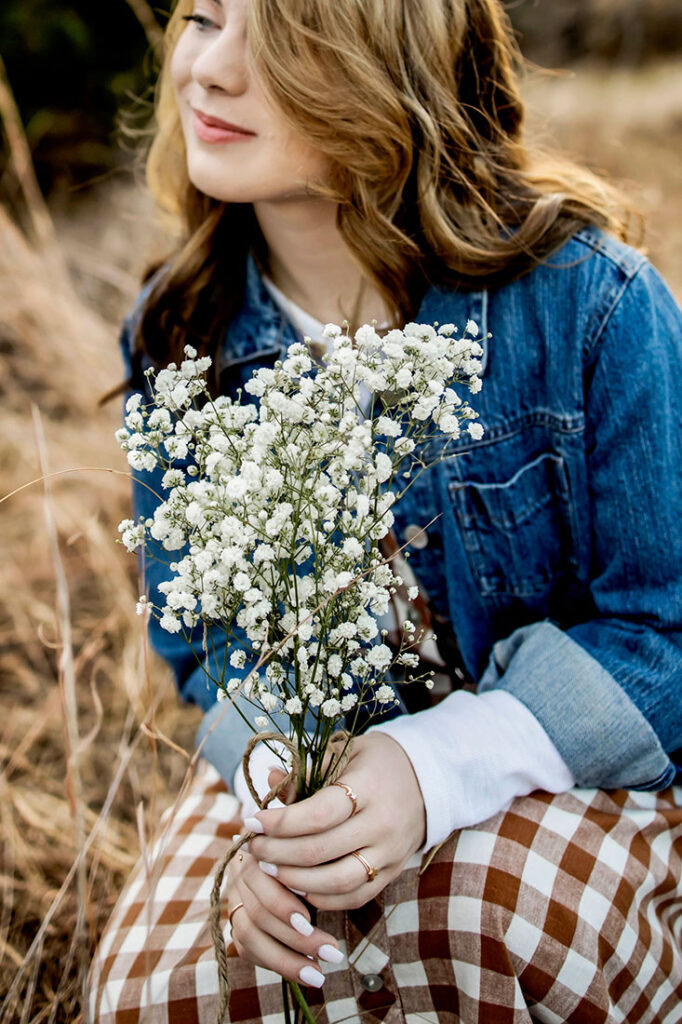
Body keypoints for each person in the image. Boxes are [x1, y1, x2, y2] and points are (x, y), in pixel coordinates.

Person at [88, 0, 682, 1020]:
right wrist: (282, 803)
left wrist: (433, 764)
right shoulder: (181, 333)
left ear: (390, 63)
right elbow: (206, 648)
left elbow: (664, 633)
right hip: (311, 769)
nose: (209, 72)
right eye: (200, 18)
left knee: (491, 916)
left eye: (275, 38)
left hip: (568, 767)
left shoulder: (589, 305)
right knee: (151, 986)